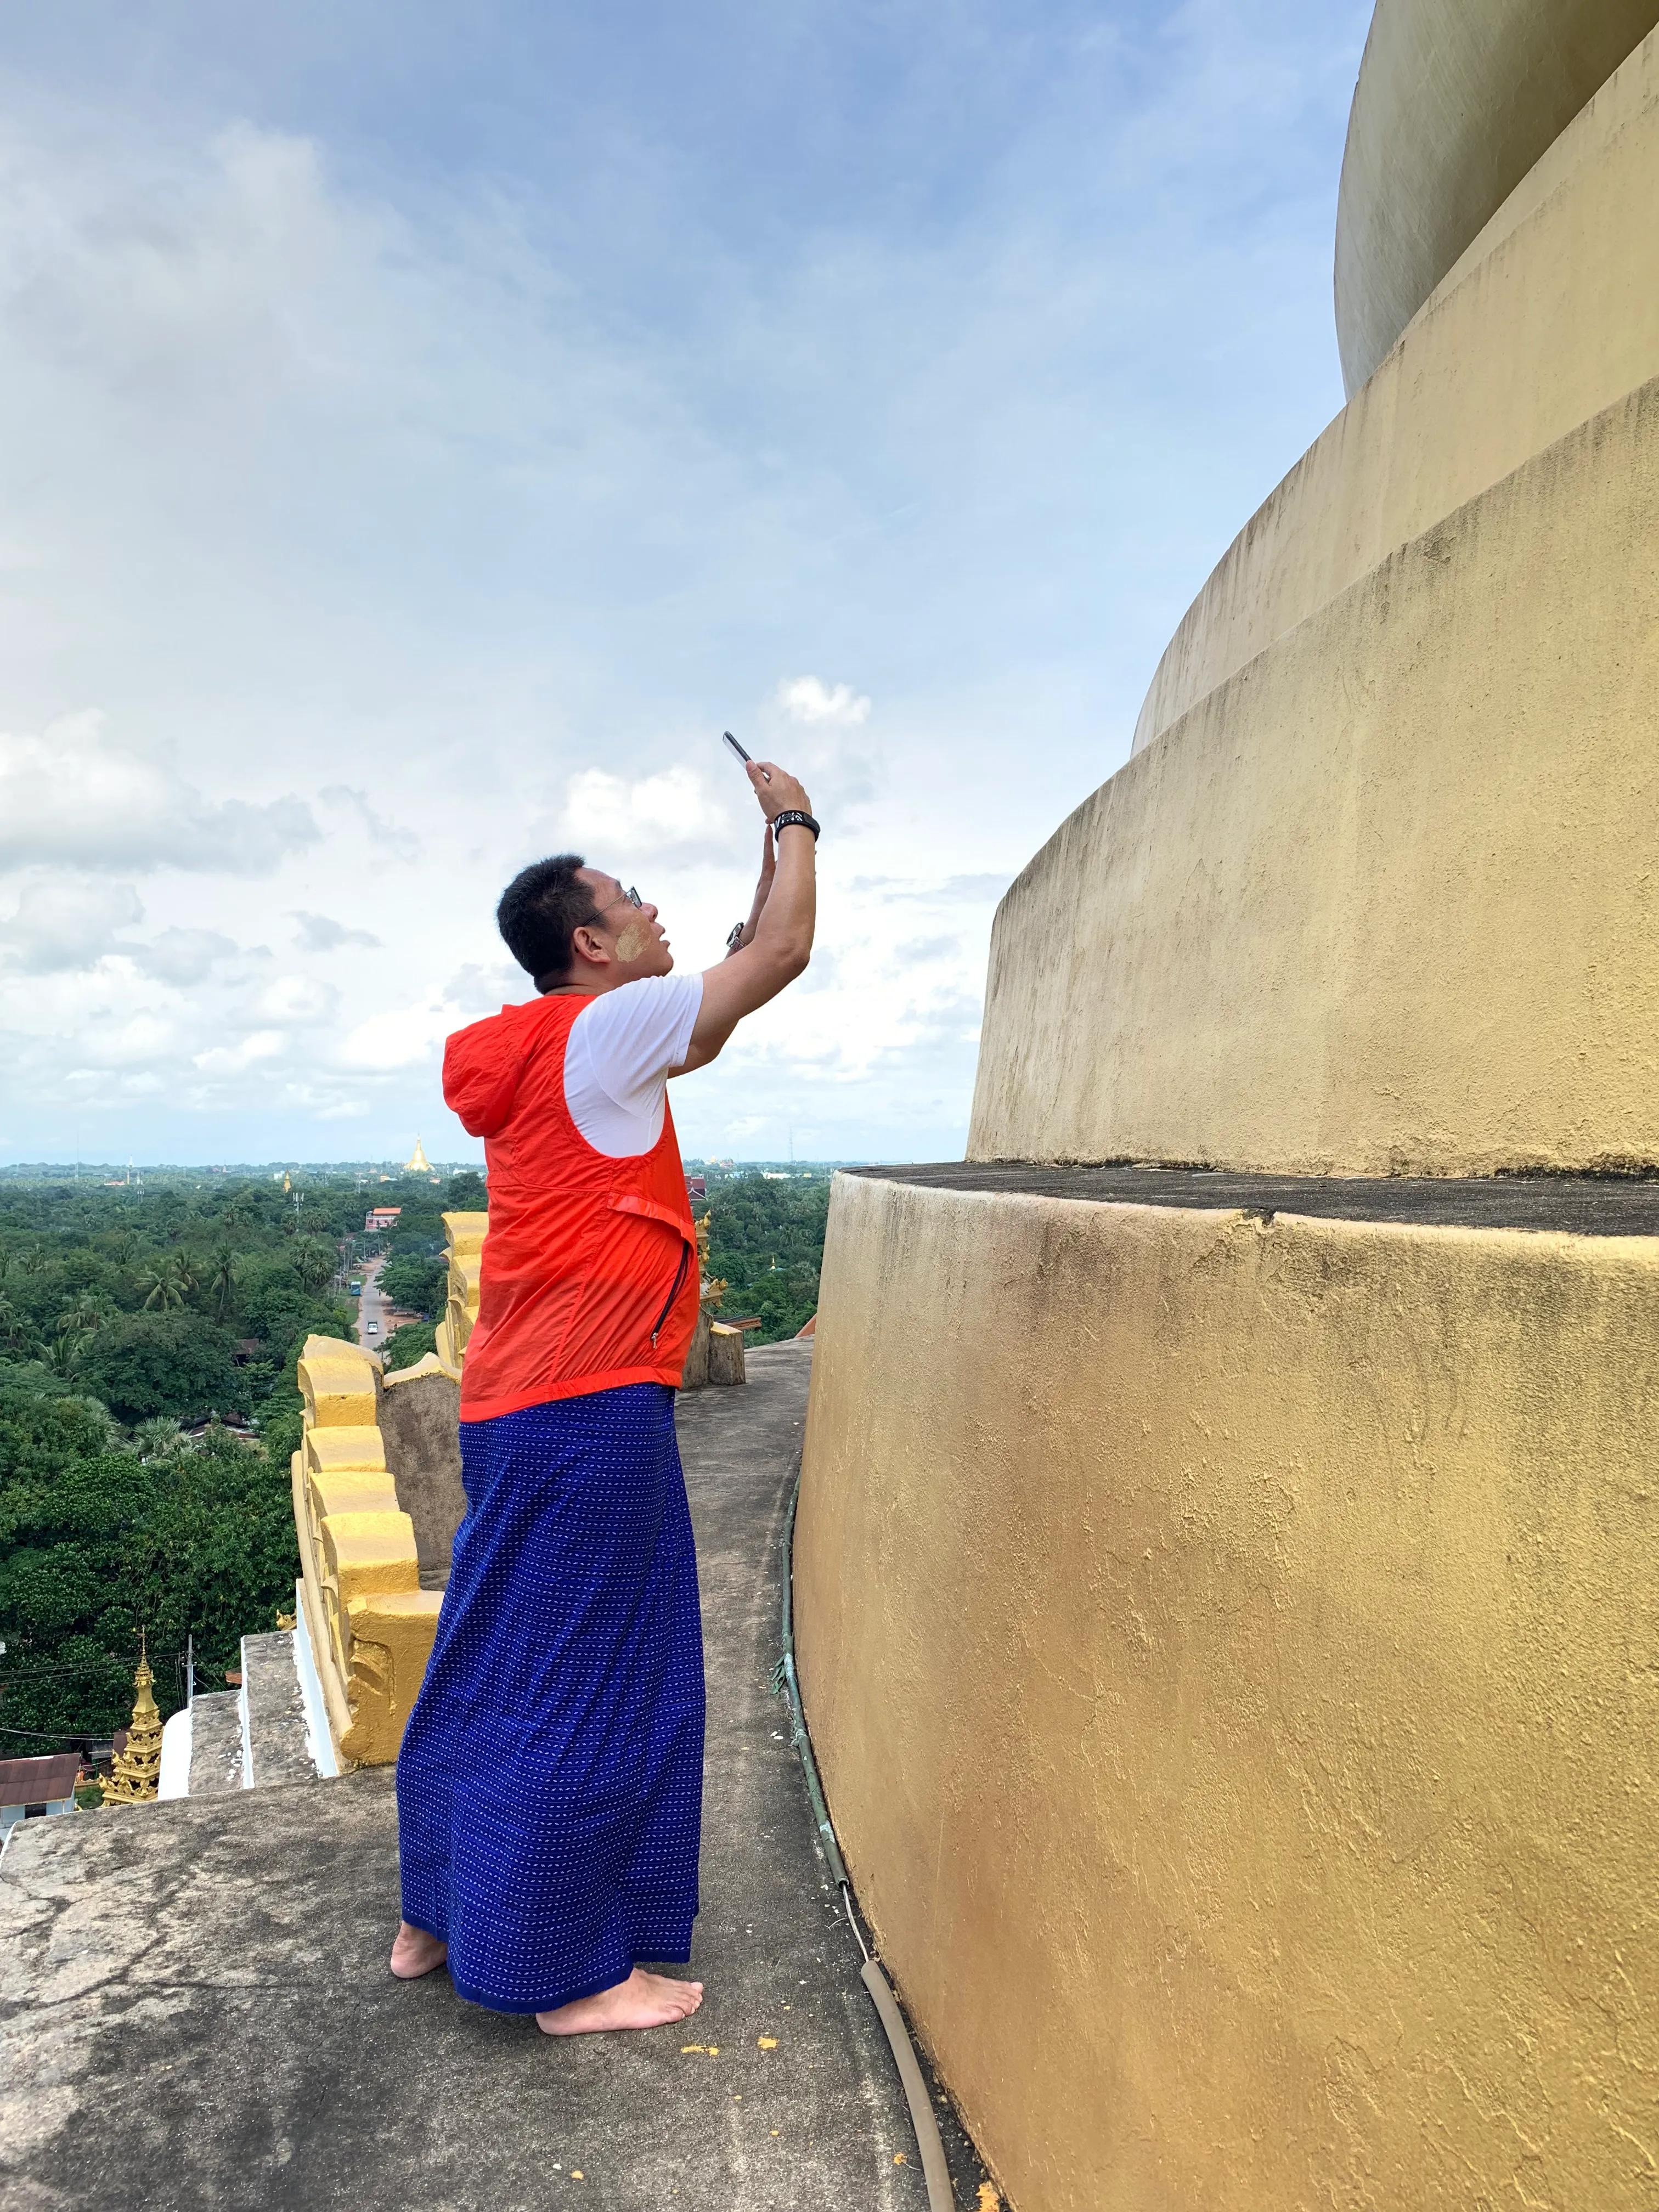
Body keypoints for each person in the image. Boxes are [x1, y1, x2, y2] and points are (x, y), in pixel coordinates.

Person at [390, 755, 818, 2035]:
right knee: (600, 1677)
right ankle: (568, 1973)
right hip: (591, 1414)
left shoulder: (550, 1051)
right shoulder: (608, 1029)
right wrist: (795, 815)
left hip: (515, 1406)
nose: (652, 909)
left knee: (491, 1655)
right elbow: (781, 954)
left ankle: (436, 1910)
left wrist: (754, 887)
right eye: (632, 898)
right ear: (589, 939)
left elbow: (731, 983)